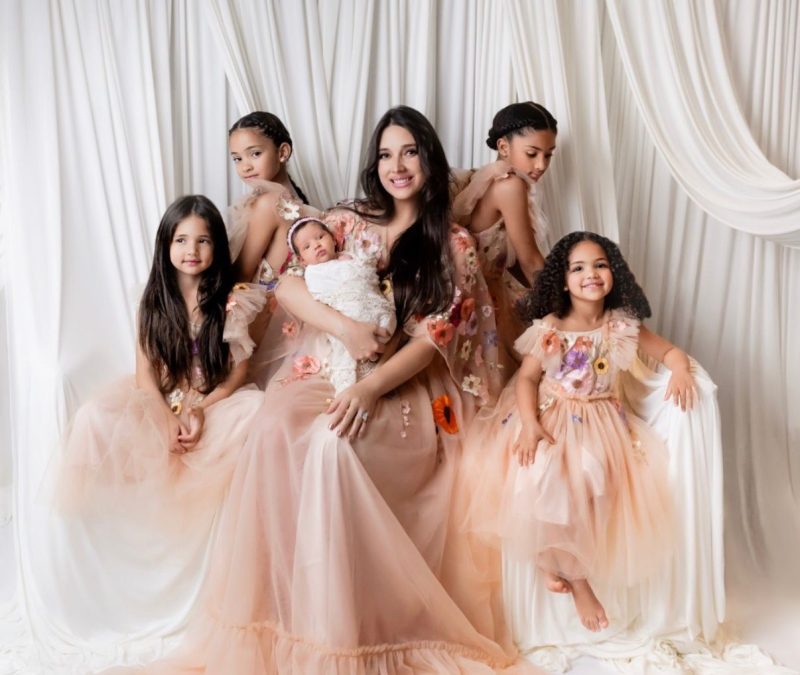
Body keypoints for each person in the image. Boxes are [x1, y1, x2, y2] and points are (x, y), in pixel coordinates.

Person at [136, 106, 537, 674]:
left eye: (410, 152)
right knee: (273, 428)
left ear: (429, 159)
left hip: (403, 382)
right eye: (386, 154)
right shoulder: (348, 222)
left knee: (332, 446)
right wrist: (345, 329)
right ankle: (283, 621)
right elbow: (290, 287)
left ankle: (343, 635)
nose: (397, 166)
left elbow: (433, 339)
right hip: (328, 360)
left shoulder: (452, 243)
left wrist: (369, 390)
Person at [458, 231, 692, 634]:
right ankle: (576, 581)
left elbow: (669, 352)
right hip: (551, 413)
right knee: (541, 474)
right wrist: (530, 424)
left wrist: (682, 369)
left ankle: (551, 560)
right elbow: (527, 379)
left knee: (590, 478)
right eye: (578, 268)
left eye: (600, 265)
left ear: (614, 273)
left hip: (599, 420)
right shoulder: (552, 327)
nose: (591, 274)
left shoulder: (621, 325)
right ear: (563, 281)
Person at [56, 194, 265, 532]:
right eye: (181, 240)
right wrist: (166, 418)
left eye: (203, 241)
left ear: (216, 246)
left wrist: (200, 410)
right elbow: (144, 372)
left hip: (211, 401)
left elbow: (238, 372)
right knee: (92, 415)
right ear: (165, 245)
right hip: (162, 400)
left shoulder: (233, 301)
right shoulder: (151, 301)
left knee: (256, 407)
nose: (191, 250)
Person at [452, 101, 558, 378]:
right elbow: (529, 260)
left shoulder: (491, 178)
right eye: (532, 153)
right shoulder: (509, 185)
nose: (541, 165)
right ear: (503, 147)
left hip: (497, 289)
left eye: (548, 155)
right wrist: (566, 308)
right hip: (485, 301)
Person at [226, 111, 319, 386]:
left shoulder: (270, 203)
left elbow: (240, 275)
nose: (245, 167)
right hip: (294, 333)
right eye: (237, 159)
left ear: (283, 152)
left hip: (262, 328)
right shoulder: (308, 208)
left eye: (254, 154)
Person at [286, 215, 396, 394]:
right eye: (307, 247)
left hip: (370, 302)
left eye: (320, 237)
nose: (316, 245)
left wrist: (360, 264)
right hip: (346, 312)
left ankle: (378, 351)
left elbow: (366, 272)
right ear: (302, 260)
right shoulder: (313, 273)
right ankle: (350, 384)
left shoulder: (348, 257)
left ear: (333, 239)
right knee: (344, 355)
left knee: (385, 322)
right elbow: (322, 296)